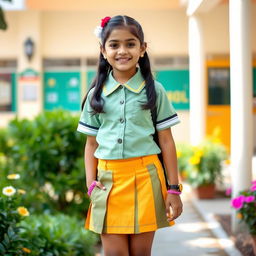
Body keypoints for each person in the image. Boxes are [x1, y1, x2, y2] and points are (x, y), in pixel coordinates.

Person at [77, 15, 183, 256]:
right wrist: (90, 183)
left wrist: (174, 189)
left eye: (130, 43)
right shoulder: (96, 95)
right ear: (103, 51)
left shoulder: (155, 90)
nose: (122, 51)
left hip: (146, 179)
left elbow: (166, 141)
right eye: (114, 45)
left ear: (142, 49)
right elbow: (90, 143)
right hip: (107, 183)